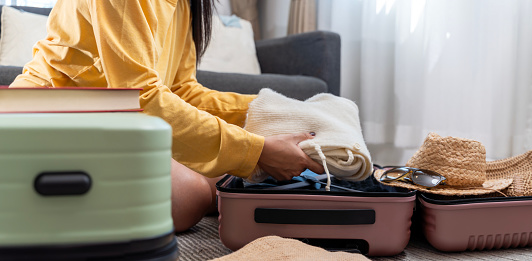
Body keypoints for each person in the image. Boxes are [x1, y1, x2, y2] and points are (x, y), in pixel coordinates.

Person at [9, 0, 325, 232]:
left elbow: (181, 90)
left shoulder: (186, 4)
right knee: (191, 195)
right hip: (47, 115)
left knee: (229, 174)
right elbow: (141, 96)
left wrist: (276, 110)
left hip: (114, 121)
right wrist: (255, 150)